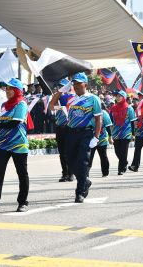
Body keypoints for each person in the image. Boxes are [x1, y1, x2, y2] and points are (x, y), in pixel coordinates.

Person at [51, 72, 102, 203]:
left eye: (79, 83)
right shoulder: (69, 99)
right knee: (69, 159)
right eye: (74, 83)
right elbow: (52, 105)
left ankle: (79, 192)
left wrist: (96, 137)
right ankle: (85, 180)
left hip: (86, 133)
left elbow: (98, 118)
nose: (76, 85)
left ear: (85, 84)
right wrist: (61, 90)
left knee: (83, 162)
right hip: (71, 132)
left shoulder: (93, 99)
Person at [0, 78, 30, 213]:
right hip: (3, 143)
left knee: (22, 173)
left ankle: (23, 202)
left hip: (18, 144)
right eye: (7, 89)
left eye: (11, 89)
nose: (8, 91)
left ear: (17, 91)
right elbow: (2, 122)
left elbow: (15, 123)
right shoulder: (3, 105)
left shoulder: (21, 104)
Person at [48, 79, 74, 182]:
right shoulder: (56, 97)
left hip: (70, 128)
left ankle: (71, 173)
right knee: (62, 153)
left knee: (70, 152)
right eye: (59, 87)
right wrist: (58, 99)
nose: (60, 88)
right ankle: (64, 174)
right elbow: (51, 107)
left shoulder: (72, 98)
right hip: (60, 128)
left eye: (62, 87)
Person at [109, 90, 137, 175]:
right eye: (116, 96)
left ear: (124, 97)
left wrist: (133, 134)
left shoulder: (129, 108)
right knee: (117, 151)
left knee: (123, 151)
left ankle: (121, 169)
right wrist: (110, 134)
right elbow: (110, 121)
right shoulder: (113, 108)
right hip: (116, 133)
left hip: (126, 133)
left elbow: (132, 122)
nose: (117, 97)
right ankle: (124, 162)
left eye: (119, 96)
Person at [88, 103, 113, 177]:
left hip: (102, 138)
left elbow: (108, 126)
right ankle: (86, 173)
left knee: (103, 156)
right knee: (89, 156)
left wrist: (110, 137)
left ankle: (105, 172)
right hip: (91, 139)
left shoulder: (104, 113)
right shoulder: (88, 113)